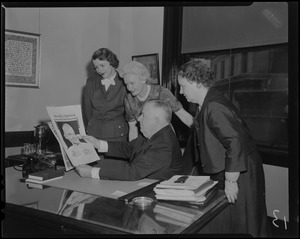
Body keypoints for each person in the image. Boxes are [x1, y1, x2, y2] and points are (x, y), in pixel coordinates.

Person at [177, 59, 270, 237]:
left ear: (195, 83)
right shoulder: (206, 103)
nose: (181, 92)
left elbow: (235, 141)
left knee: (244, 220)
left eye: (183, 86)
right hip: (234, 166)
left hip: (241, 170)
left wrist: (231, 181)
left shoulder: (214, 106)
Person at [75, 99, 183, 181]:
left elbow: (133, 172)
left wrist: (92, 172)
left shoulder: (163, 145)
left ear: (156, 121)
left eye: (143, 115)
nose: (139, 119)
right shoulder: (153, 134)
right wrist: (98, 144)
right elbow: (129, 148)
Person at [121, 61, 193, 141]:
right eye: (126, 84)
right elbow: (133, 128)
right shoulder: (128, 99)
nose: (129, 88)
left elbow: (184, 116)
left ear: (143, 79)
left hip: (165, 139)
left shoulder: (161, 92)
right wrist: (132, 150)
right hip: (145, 140)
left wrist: (202, 132)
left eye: (132, 83)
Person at [84, 48, 128, 142]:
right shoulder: (91, 82)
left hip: (117, 135)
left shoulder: (125, 81)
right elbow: (88, 110)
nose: (99, 70)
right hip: (94, 134)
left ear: (111, 62)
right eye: (96, 67)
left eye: (102, 65)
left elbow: (128, 113)